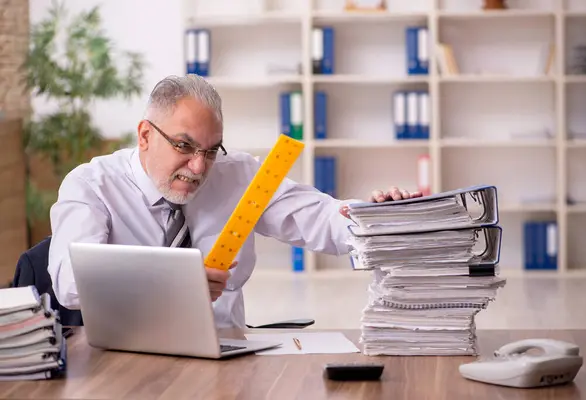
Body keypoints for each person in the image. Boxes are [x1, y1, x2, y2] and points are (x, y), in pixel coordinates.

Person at [47, 74, 422, 329]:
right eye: (183, 145)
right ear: (145, 135)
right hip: (127, 361)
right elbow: (70, 282)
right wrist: (173, 280)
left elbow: (319, 218)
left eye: (211, 150)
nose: (198, 166)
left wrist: (380, 220)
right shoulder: (91, 185)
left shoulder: (238, 175)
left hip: (225, 354)